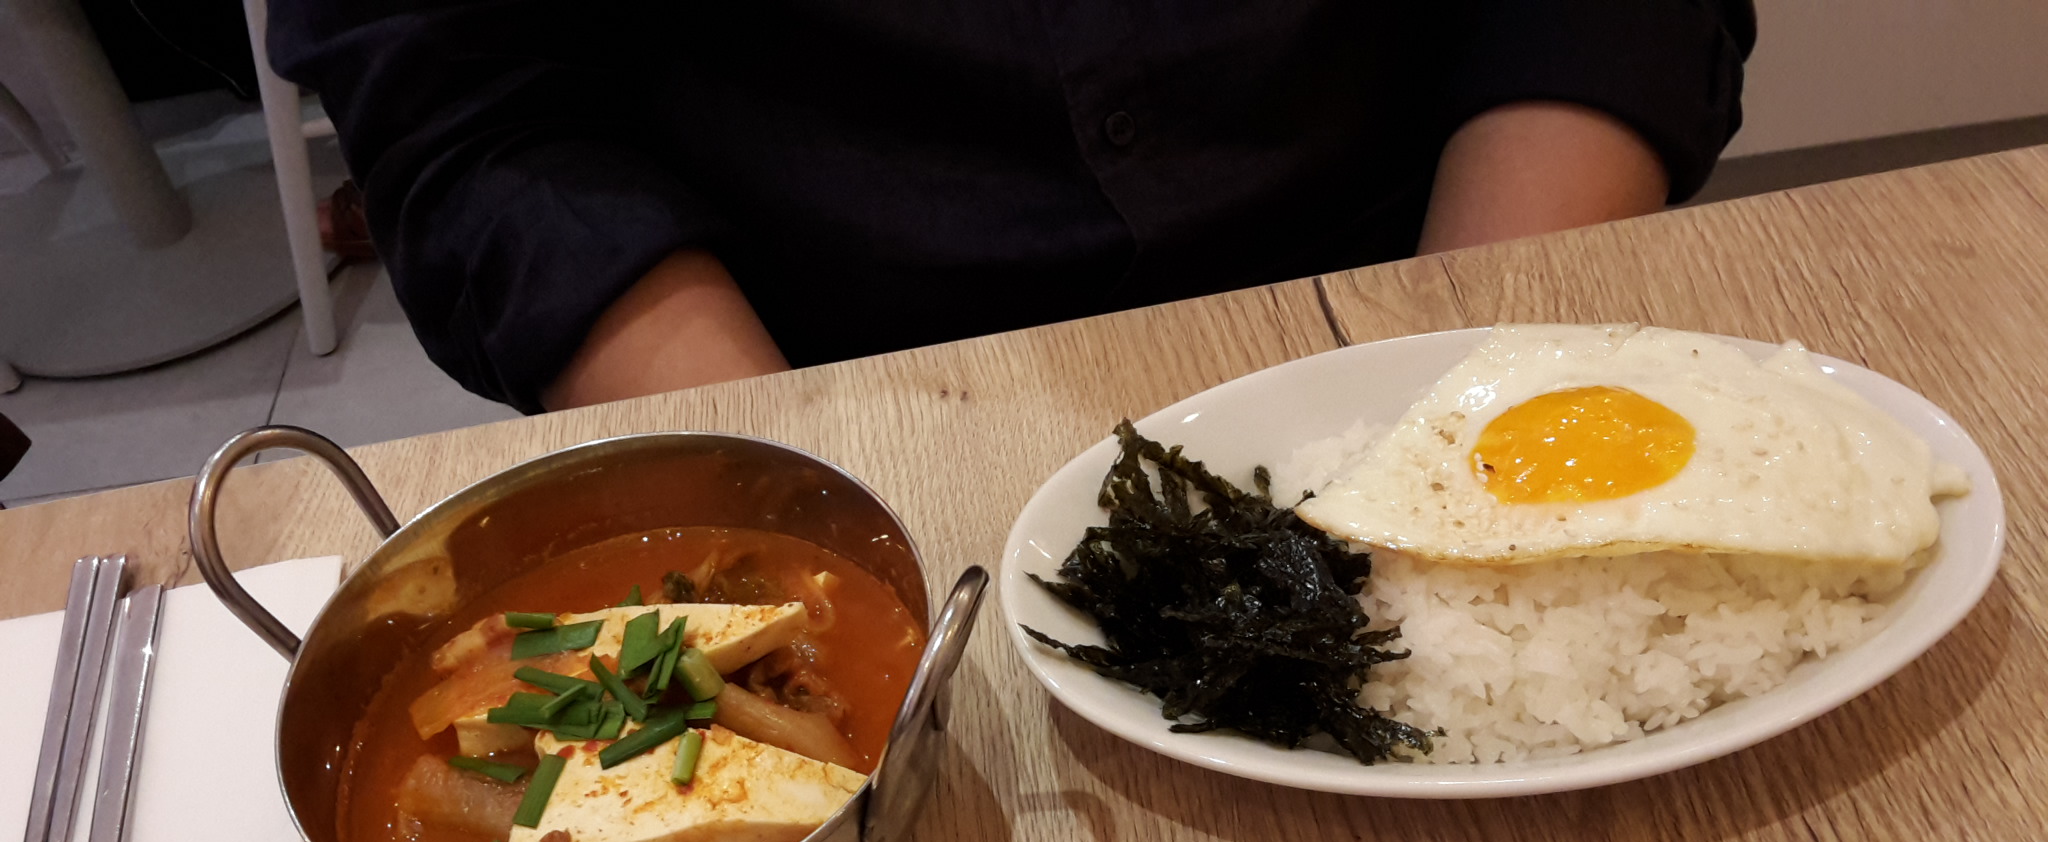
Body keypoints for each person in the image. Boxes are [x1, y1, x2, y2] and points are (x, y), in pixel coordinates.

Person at [271, 1, 1755, 414]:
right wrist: (815, 518)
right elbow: (460, 94)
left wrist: (1481, 404)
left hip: (1435, 267)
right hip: (824, 376)